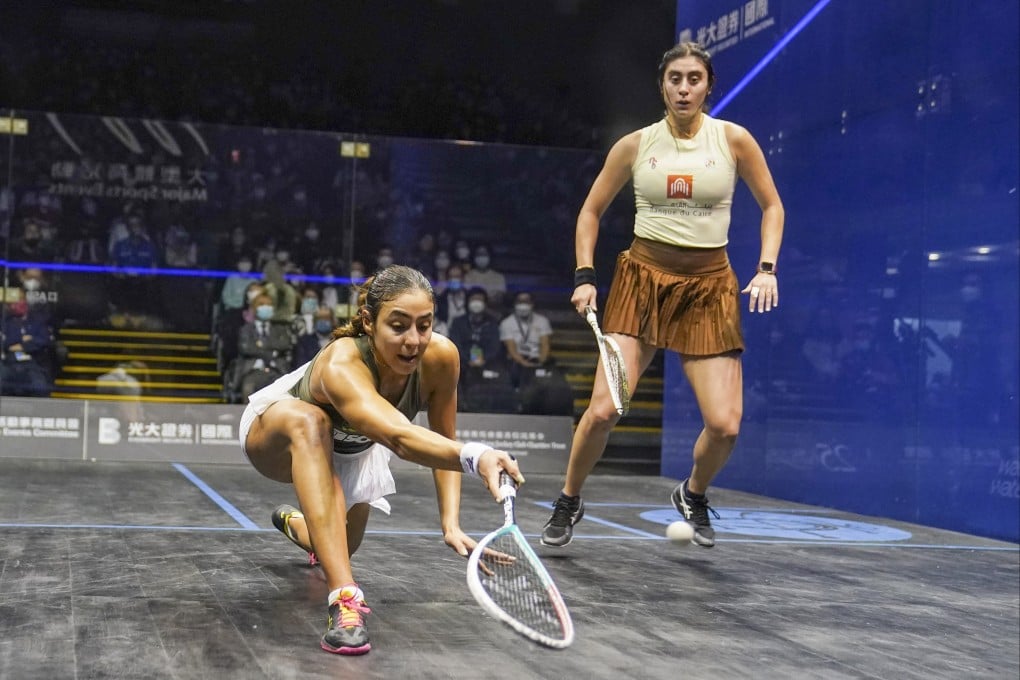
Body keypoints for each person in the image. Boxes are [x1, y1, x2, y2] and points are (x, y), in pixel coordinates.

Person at [540, 42, 784, 549]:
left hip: (709, 289)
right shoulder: (634, 145)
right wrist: (585, 276)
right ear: (662, 86)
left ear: (708, 86)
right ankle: (569, 498)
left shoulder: (734, 140)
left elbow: (773, 207)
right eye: (675, 79)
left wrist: (766, 269)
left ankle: (692, 493)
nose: (684, 88)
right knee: (603, 411)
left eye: (695, 78)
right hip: (643, 282)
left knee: (725, 425)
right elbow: (590, 212)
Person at [238, 265, 524, 655]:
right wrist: (478, 456)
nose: (413, 341)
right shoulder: (342, 362)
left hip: (354, 450)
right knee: (311, 421)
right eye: (399, 326)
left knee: (340, 548)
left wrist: (451, 524)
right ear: (369, 322)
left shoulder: (441, 358)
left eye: (424, 326)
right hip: (276, 435)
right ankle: (344, 603)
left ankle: (295, 523)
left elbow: (443, 439)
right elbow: (400, 439)